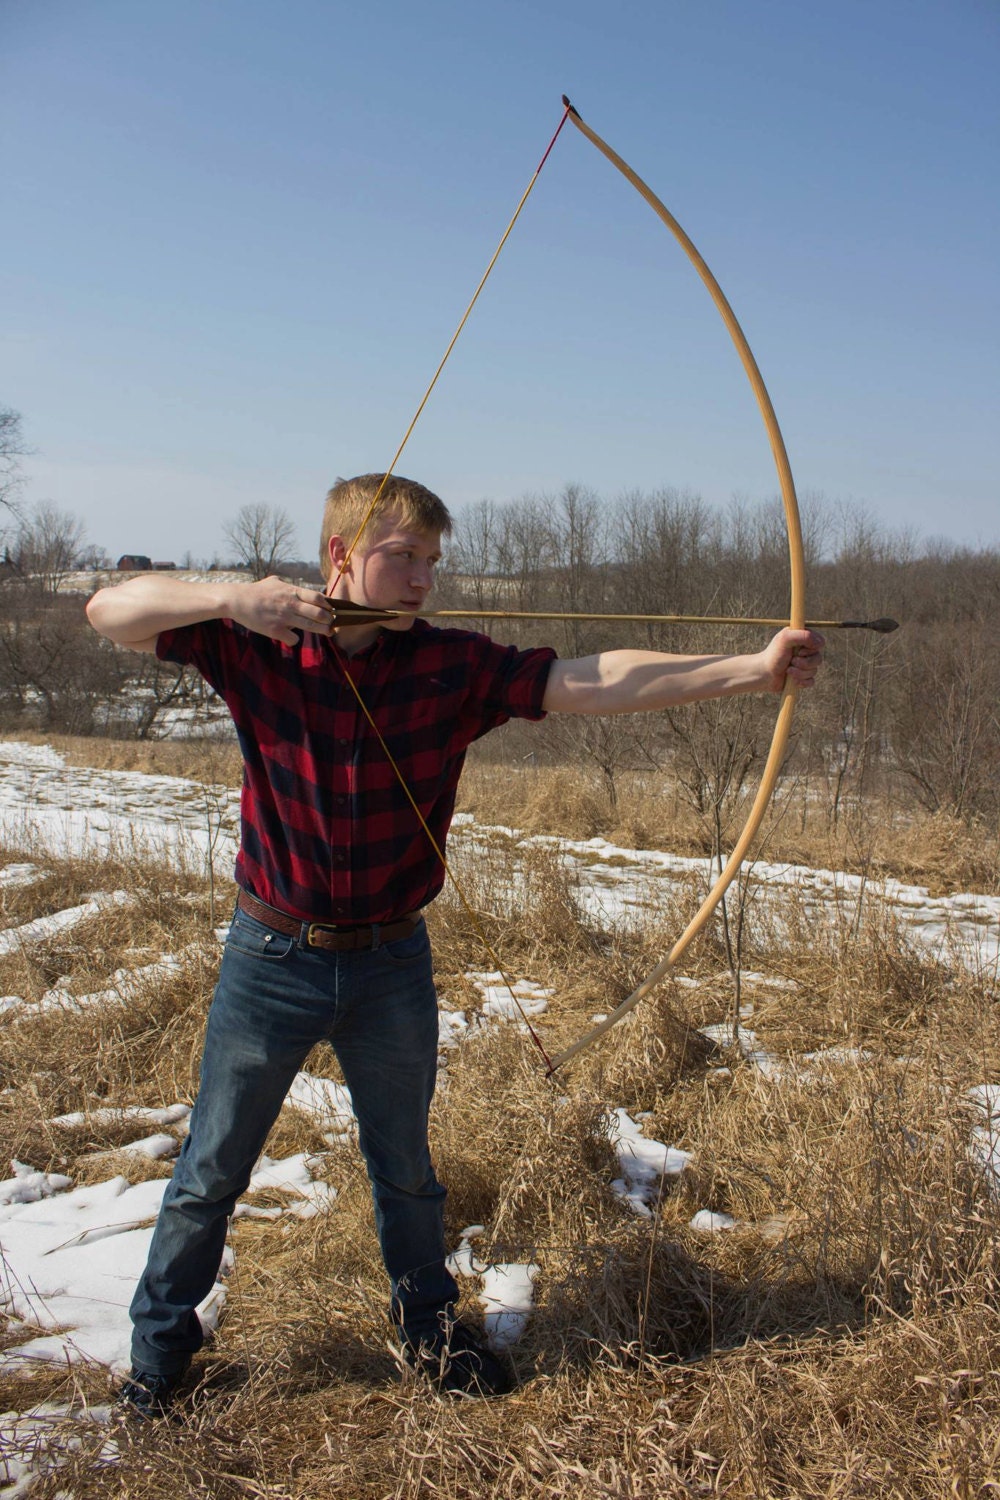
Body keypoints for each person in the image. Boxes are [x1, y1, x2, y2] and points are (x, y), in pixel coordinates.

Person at [86, 473, 823, 1411]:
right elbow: (110, 608)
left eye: (433, 560)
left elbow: (586, 679)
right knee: (210, 1172)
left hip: (391, 959)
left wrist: (749, 671)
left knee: (406, 1171)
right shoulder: (261, 648)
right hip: (271, 954)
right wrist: (236, 598)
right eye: (402, 556)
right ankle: (159, 1358)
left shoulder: (450, 664)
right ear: (341, 558)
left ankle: (432, 1334)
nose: (422, 577)